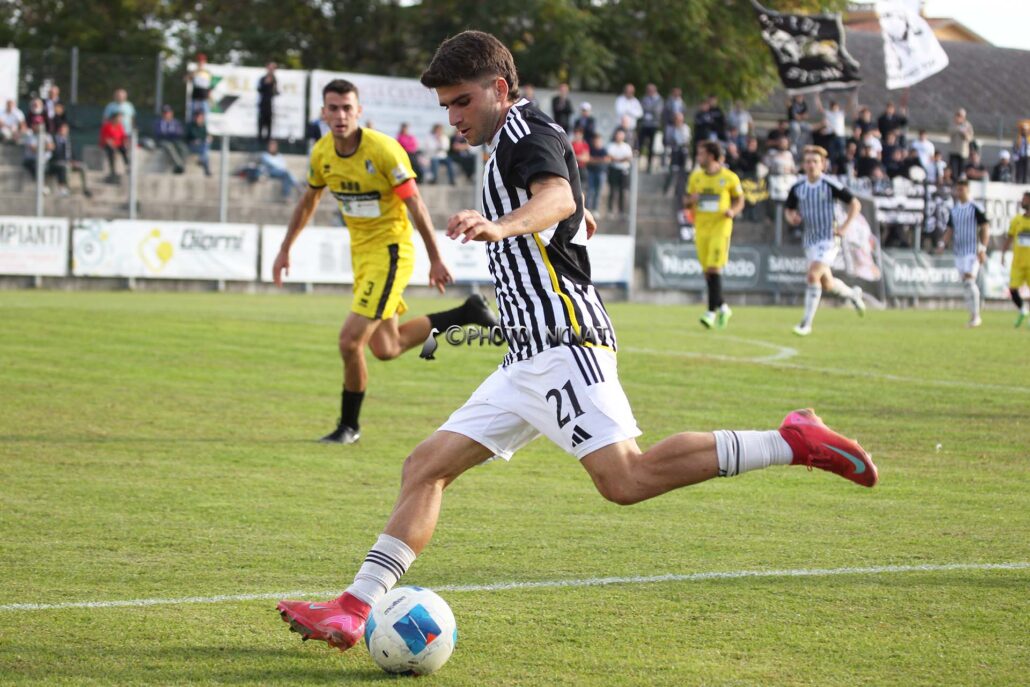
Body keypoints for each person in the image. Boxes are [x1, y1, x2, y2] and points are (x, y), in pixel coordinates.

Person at [276, 31, 878, 652]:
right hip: (524, 357)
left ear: (499, 90)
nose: (453, 118)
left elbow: (556, 194)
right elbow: (567, 203)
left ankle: (793, 442)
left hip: (564, 342)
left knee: (626, 479)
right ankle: (352, 609)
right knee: (424, 467)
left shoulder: (522, 136)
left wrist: (501, 224)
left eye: (461, 102)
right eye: (445, 107)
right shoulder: (524, 134)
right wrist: (565, 219)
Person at [271, 78, 497, 444]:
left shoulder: (384, 151)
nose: (341, 115)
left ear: (359, 111)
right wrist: (285, 249)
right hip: (362, 256)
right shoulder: (322, 153)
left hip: (391, 253)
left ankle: (349, 426)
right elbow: (308, 202)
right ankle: (467, 312)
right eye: (334, 108)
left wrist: (435, 258)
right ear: (323, 113)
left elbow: (415, 205)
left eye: (347, 108)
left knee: (349, 342)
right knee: (385, 347)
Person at [784, 146, 866, 336]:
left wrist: (845, 227)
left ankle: (806, 324)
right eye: (808, 161)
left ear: (823, 164)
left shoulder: (830, 184)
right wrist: (791, 218)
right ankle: (852, 294)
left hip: (829, 238)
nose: (811, 165)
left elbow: (855, 204)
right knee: (826, 283)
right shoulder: (798, 187)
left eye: (815, 161)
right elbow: (789, 209)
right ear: (803, 164)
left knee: (812, 275)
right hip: (810, 240)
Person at [685, 141, 745, 329]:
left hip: (721, 228)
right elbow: (686, 201)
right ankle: (723, 307)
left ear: (711, 156)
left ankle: (710, 312)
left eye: (701, 154)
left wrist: (733, 212)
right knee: (707, 273)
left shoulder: (729, 178)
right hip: (701, 228)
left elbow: (740, 200)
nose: (698, 157)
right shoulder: (696, 177)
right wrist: (690, 200)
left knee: (713, 269)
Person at [942, 179, 989, 328]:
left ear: (968, 190)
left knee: (969, 281)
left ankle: (976, 316)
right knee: (966, 284)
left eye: (962, 189)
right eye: (957, 189)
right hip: (959, 252)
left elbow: (985, 228)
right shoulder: (954, 210)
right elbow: (950, 229)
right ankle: (973, 314)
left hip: (972, 251)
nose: (959, 192)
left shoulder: (976, 207)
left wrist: (982, 249)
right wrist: (942, 244)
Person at [1001, 191, 1030, 327]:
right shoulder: (1016, 220)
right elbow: (1010, 237)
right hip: (1018, 262)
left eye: (1025, 199)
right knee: (1013, 290)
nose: (1022, 202)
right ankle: (1023, 310)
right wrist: (1003, 253)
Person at [50, 122, 92, 197]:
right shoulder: (53, 139)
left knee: (83, 166)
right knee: (66, 167)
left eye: (66, 129)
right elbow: (54, 154)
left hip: (69, 162)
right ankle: (67, 188)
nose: (64, 130)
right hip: (57, 162)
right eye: (63, 128)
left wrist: (74, 161)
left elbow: (72, 153)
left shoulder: (68, 140)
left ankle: (86, 189)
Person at [153, 105, 187, 174]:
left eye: (168, 112)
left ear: (171, 113)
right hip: (163, 141)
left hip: (174, 140)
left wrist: (171, 134)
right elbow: (159, 133)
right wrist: (169, 134)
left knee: (183, 148)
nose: (166, 114)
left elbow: (179, 132)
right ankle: (179, 165)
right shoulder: (159, 123)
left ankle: (179, 166)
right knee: (169, 146)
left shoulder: (176, 123)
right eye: (165, 113)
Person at [605, 128, 632, 215]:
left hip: (623, 171)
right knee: (612, 190)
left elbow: (628, 158)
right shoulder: (611, 145)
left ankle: (622, 211)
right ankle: (610, 210)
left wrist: (617, 159)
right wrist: (621, 159)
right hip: (614, 170)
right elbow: (610, 157)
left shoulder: (627, 146)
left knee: (622, 191)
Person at [638, 83, 662, 172]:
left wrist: (648, 110)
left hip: (654, 125)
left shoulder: (659, 99)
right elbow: (641, 109)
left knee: (651, 146)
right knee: (640, 144)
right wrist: (649, 110)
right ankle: (638, 164)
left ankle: (649, 165)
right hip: (644, 125)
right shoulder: (644, 98)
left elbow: (657, 111)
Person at [99, 111, 129, 180]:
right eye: (119, 118)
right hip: (107, 144)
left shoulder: (120, 126)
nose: (120, 119)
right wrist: (111, 144)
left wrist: (125, 142)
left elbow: (123, 136)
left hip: (118, 144)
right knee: (111, 151)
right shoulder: (107, 126)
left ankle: (127, 166)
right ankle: (112, 170)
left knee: (123, 149)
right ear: (114, 118)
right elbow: (105, 138)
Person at [948, 109, 974, 182]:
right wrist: (958, 127)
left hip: (963, 152)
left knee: (961, 171)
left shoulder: (968, 125)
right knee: (953, 171)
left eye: (961, 116)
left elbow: (970, 138)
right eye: (958, 115)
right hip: (953, 151)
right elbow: (950, 132)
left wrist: (965, 134)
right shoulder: (953, 124)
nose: (959, 117)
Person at [585, 131, 608, 211]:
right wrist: (599, 160)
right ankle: (587, 209)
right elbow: (588, 159)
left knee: (598, 192)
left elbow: (606, 160)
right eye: (595, 141)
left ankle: (595, 209)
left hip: (601, 173)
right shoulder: (590, 149)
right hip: (591, 172)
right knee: (590, 191)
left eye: (598, 140)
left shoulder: (604, 150)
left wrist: (594, 160)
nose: (597, 142)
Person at [185, 110, 212, 176]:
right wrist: (193, 141)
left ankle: (202, 160)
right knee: (204, 149)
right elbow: (187, 137)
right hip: (191, 146)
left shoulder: (204, 126)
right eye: (197, 117)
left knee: (205, 147)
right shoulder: (190, 126)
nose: (199, 119)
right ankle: (206, 168)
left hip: (202, 146)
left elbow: (207, 137)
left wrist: (208, 138)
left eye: (200, 117)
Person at [257, 62, 279, 144]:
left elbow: (275, 91)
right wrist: (266, 83)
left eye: (273, 68)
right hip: (263, 104)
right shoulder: (263, 78)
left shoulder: (274, 79)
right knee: (261, 123)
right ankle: (259, 140)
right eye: (270, 68)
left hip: (270, 105)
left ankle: (268, 141)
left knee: (269, 124)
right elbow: (259, 89)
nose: (272, 70)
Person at [186, 53, 212, 119]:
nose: (201, 63)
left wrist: (210, 98)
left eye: (202, 61)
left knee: (205, 117)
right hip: (195, 98)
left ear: (205, 62)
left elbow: (209, 86)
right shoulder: (194, 72)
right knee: (193, 116)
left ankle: (203, 129)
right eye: (199, 61)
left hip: (204, 98)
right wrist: (194, 73)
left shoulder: (207, 72)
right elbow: (185, 79)